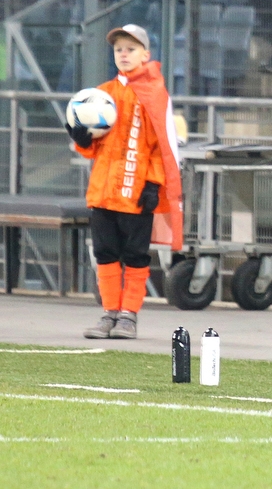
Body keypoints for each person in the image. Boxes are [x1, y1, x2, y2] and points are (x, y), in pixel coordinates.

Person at [70, 24, 183, 340]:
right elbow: (93, 147)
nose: (123, 53)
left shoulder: (155, 94)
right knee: (105, 254)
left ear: (145, 55)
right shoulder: (101, 93)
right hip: (103, 192)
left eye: (131, 49)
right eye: (119, 48)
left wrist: (152, 184)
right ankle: (109, 313)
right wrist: (81, 137)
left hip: (135, 192)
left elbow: (162, 145)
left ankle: (128, 316)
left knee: (135, 256)